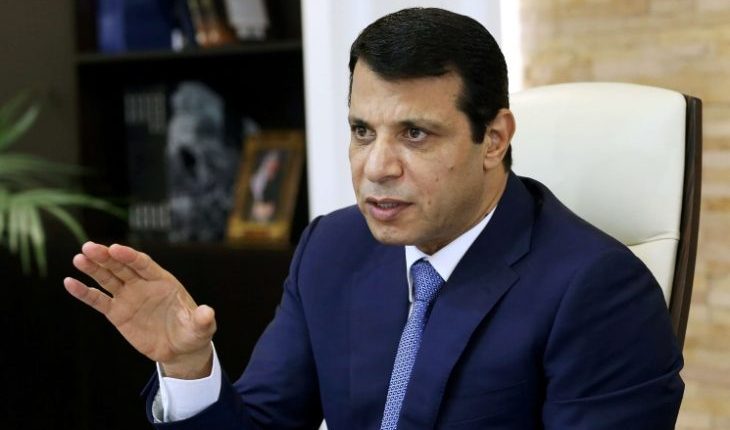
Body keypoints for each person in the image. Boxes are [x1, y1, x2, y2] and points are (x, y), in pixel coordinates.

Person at [64, 7, 684, 429]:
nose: (377, 167)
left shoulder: (598, 289)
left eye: (415, 134)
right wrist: (188, 368)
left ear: (493, 139)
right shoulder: (333, 247)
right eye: (363, 131)